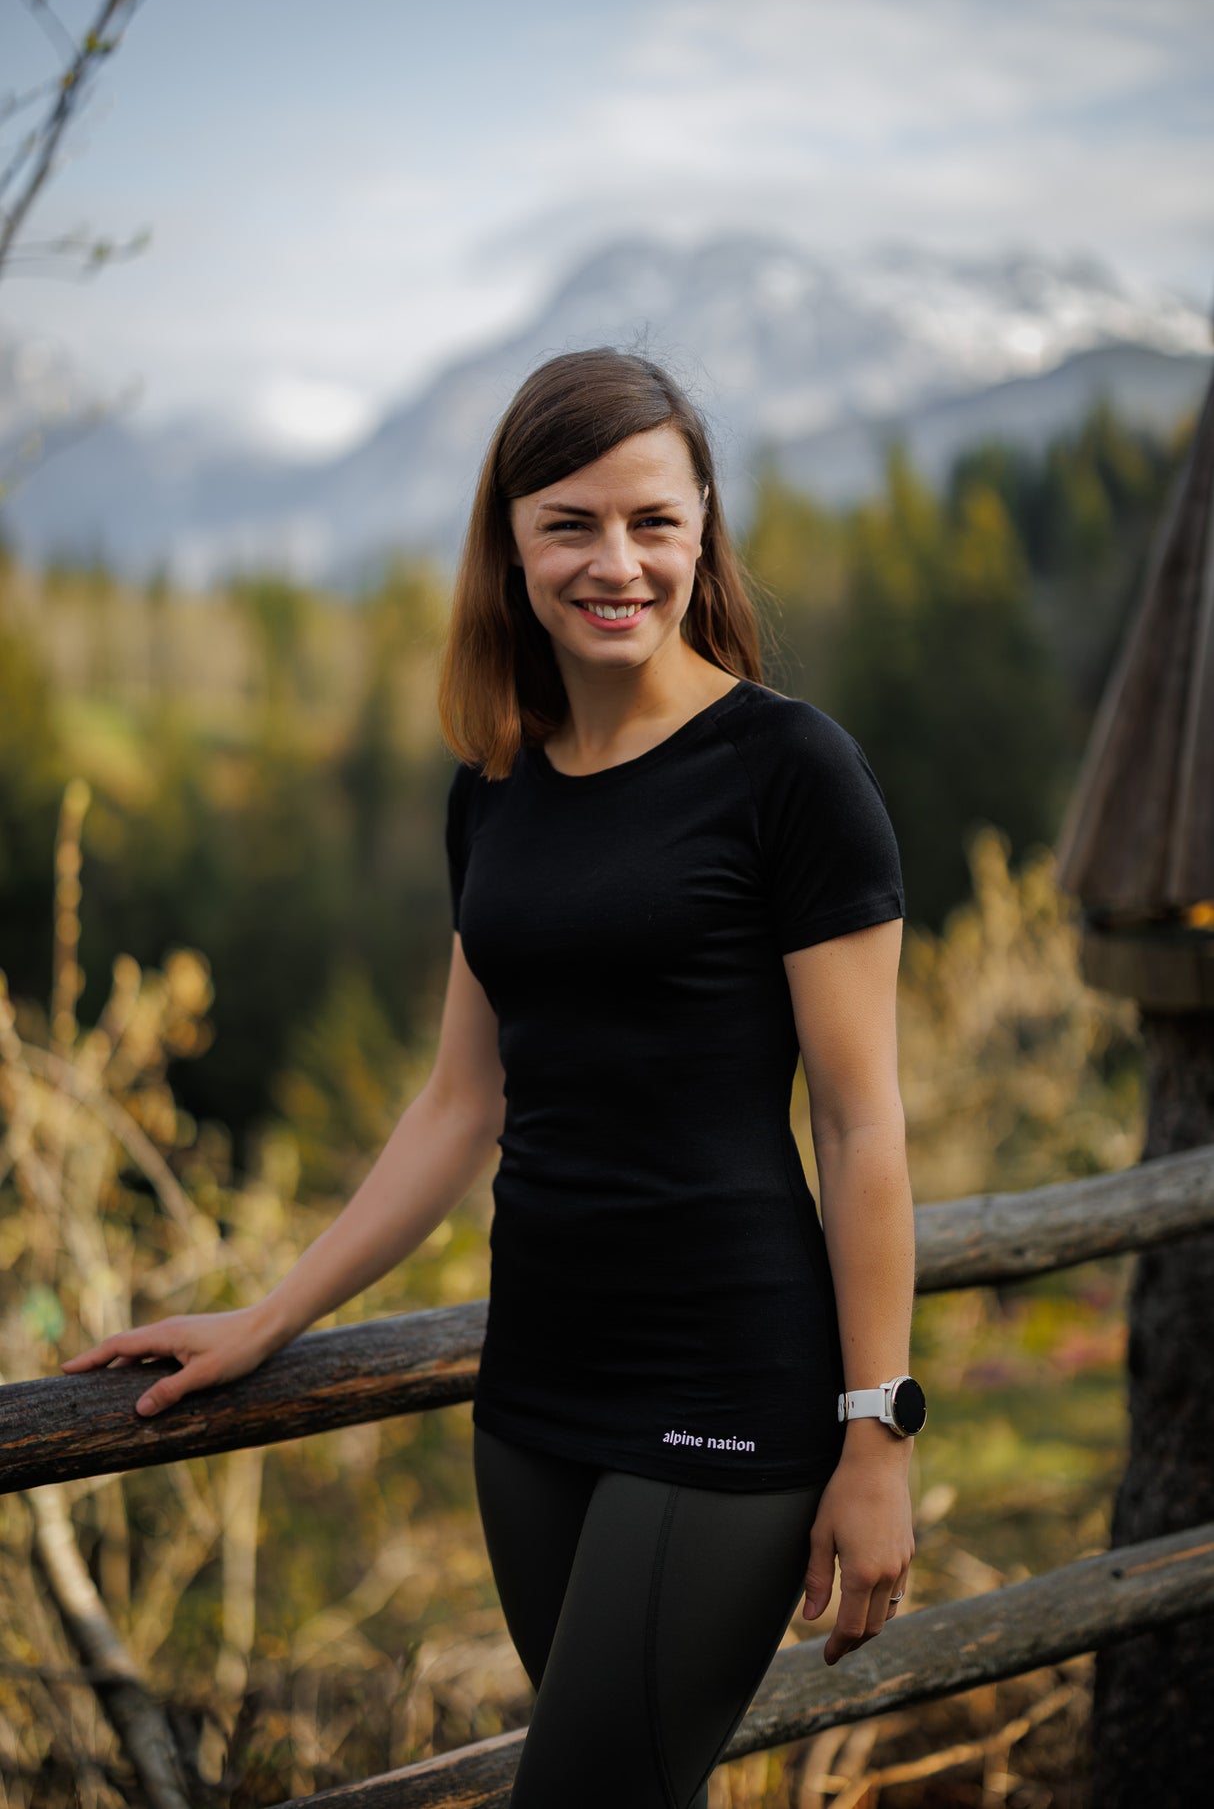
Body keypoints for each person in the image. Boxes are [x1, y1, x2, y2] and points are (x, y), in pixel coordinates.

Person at [62, 348, 923, 1809]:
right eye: (568, 523)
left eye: (652, 521)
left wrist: (876, 1430)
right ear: (510, 545)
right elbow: (462, 1103)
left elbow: (860, 1124)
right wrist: (270, 1315)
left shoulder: (790, 771)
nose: (615, 563)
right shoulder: (497, 786)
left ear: (703, 532)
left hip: (727, 1385)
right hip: (533, 1398)